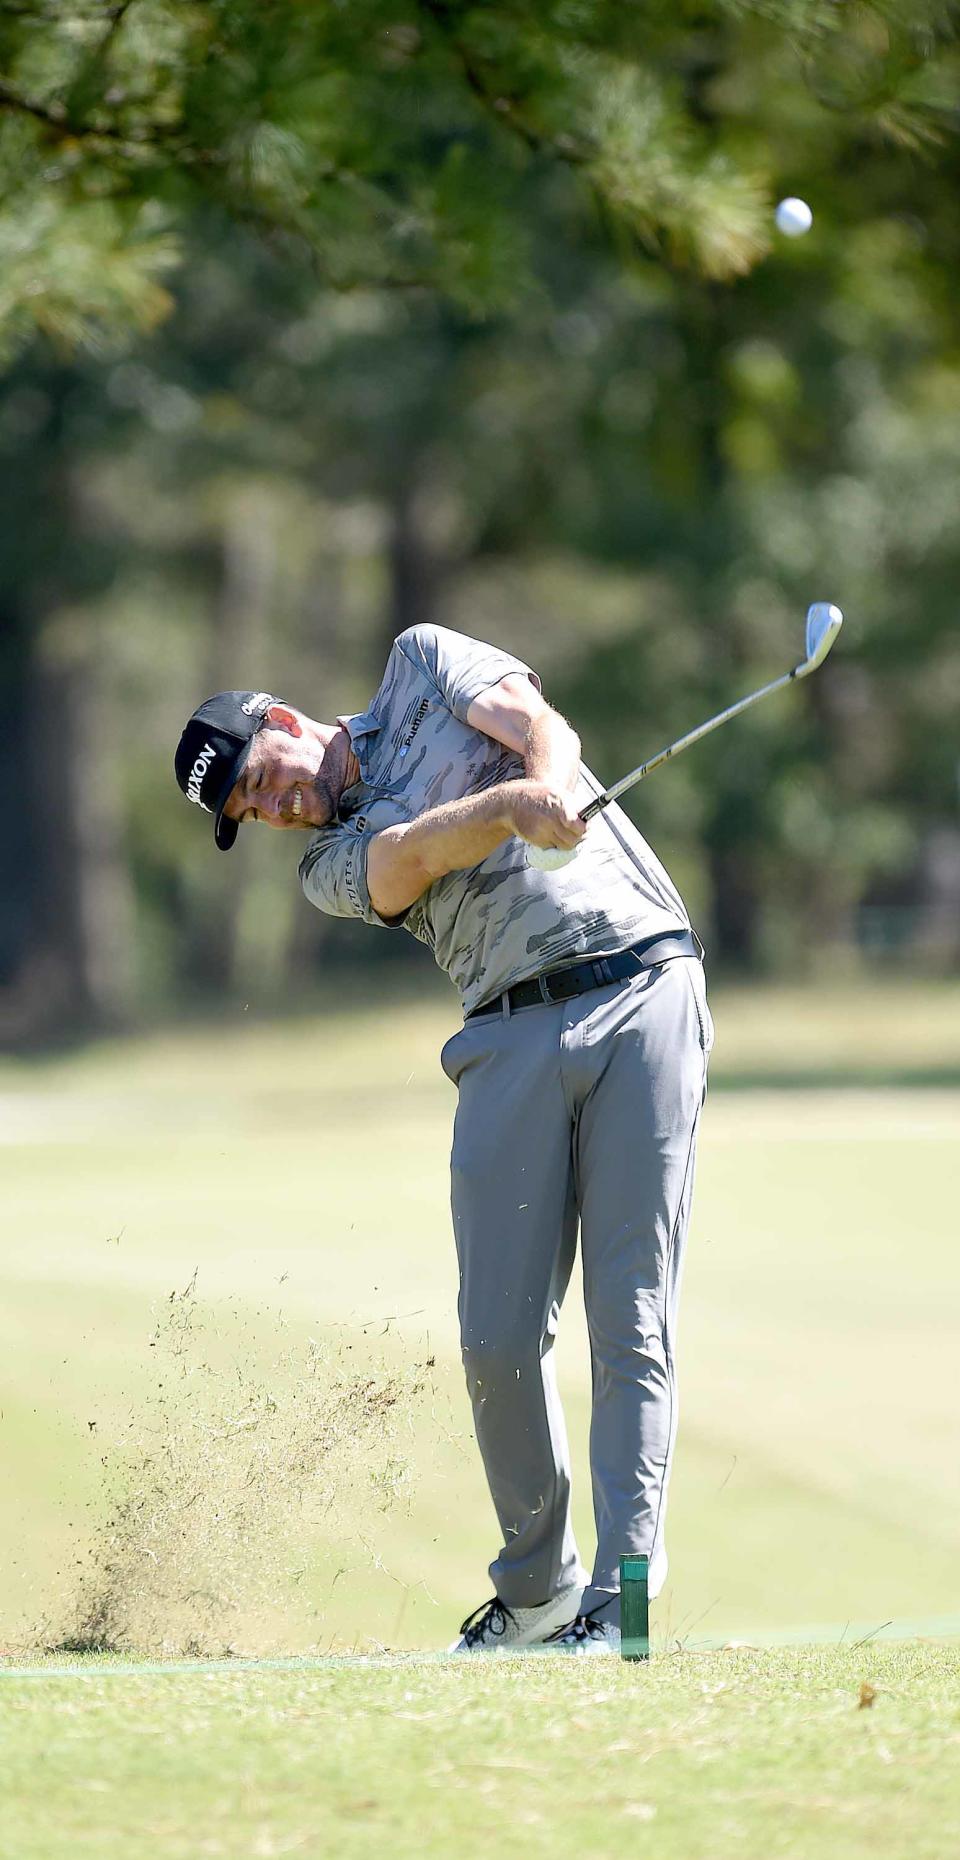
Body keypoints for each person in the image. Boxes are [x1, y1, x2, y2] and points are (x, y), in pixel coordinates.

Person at [175, 625, 713, 1654]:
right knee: (496, 1342)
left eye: (260, 778)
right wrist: (512, 808)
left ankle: (622, 1608)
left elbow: (533, 724)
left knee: (632, 1318)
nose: (274, 808)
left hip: (645, 985)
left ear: (283, 721)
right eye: (250, 810)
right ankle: (538, 1594)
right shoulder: (329, 862)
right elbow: (407, 857)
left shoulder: (419, 662)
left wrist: (550, 784)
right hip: (507, 1033)